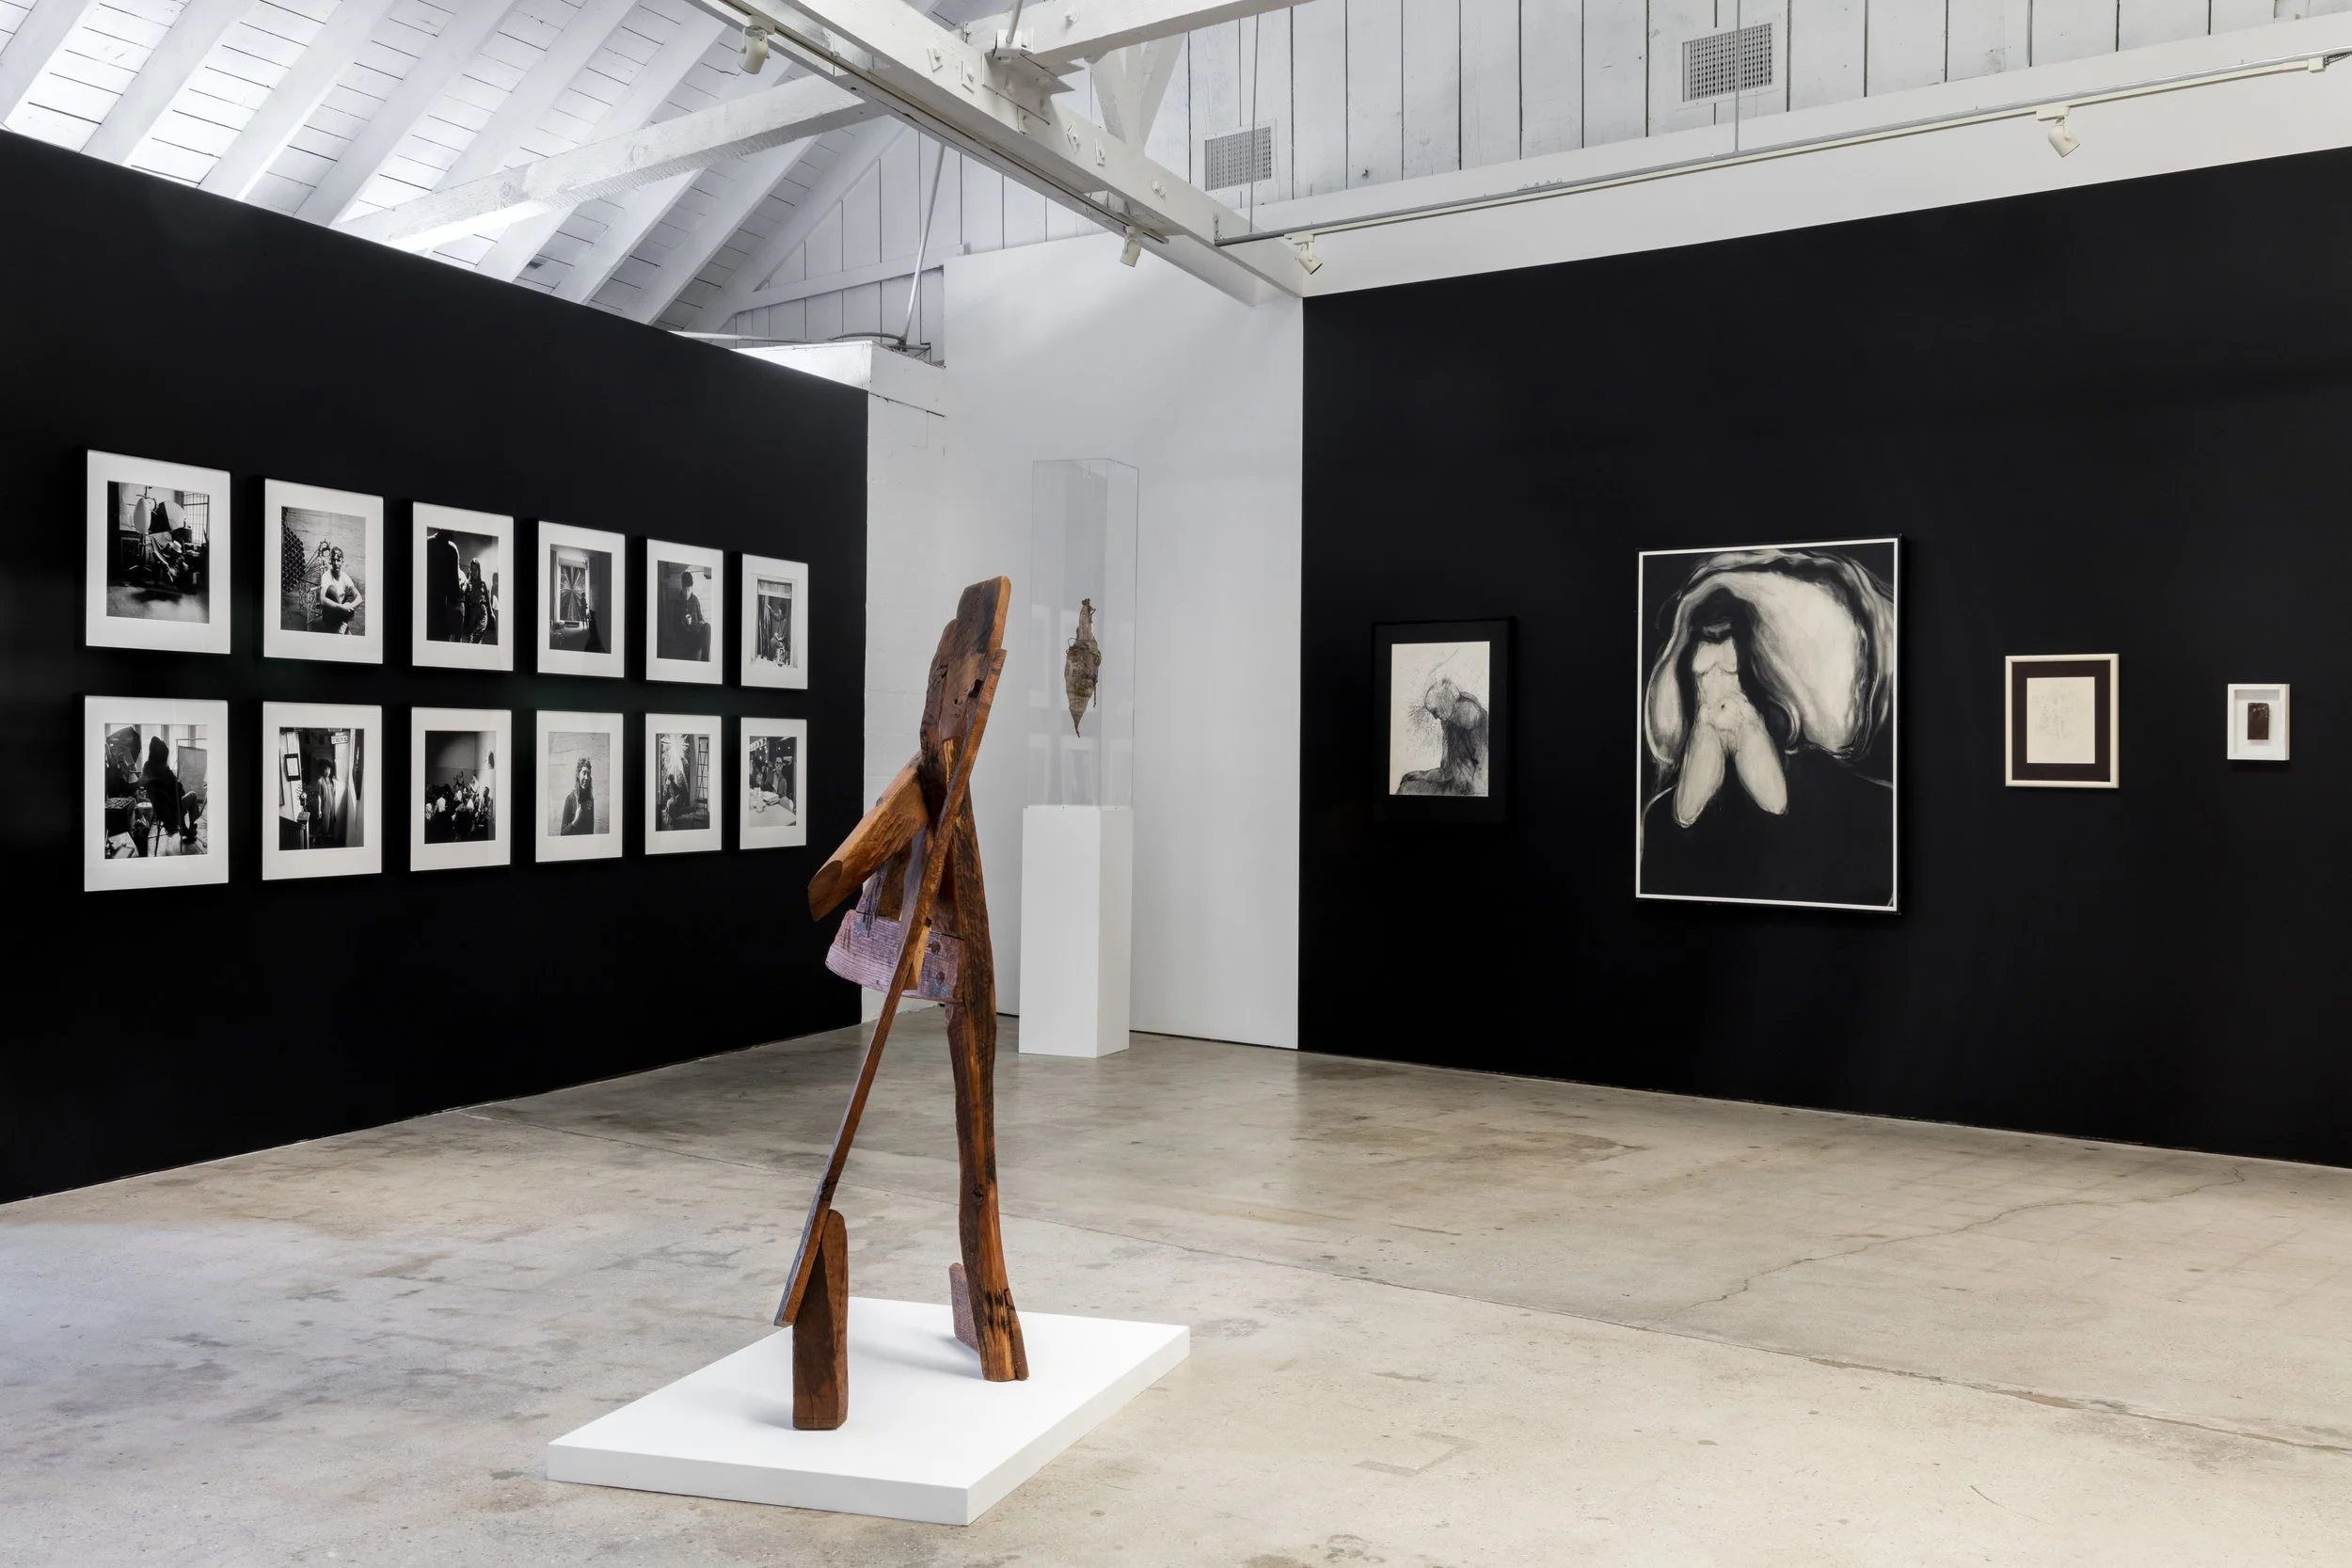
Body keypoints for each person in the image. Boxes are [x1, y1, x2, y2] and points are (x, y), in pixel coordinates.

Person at [141, 736, 183, 858]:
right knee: (192, 796)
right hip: (171, 809)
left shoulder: (148, 766)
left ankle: (185, 827)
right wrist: (177, 785)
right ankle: (186, 828)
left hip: (159, 809)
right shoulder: (163, 769)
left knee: (181, 794)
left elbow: (144, 782)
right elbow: (176, 790)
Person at [315, 546, 362, 635]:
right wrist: (342, 607)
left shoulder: (345, 577)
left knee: (353, 591)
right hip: (330, 615)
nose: (336, 563)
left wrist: (347, 606)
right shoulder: (326, 576)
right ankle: (343, 625)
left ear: (342, 561)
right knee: (331, 589)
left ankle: (342, 626)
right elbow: (322, 600)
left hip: (342, 614)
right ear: (331, 561)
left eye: (338, 560)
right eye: (334, 560)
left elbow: (360, 598)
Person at [561, 757, 596, 835]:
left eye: (588, 774)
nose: (586, 778)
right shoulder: (570, 799)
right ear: (578, 775)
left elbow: (591, 831)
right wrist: (576, 820)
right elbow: (562, 833)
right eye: (584, 773)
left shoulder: (590, 799)